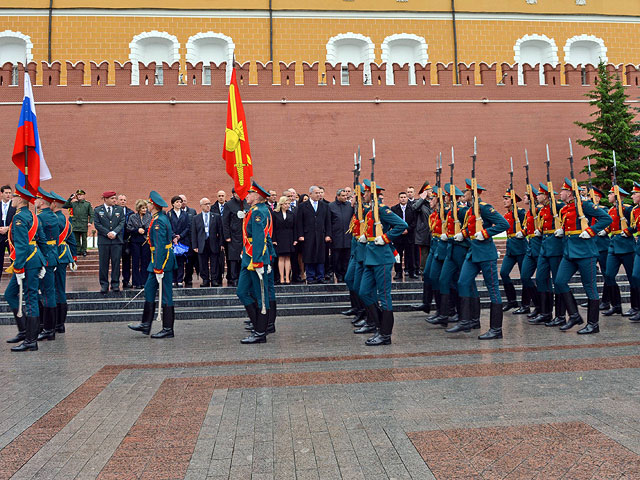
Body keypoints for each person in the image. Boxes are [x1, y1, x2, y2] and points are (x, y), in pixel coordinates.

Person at [447, 179, 510, 339]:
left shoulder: (484, 208)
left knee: (493, 289)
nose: (464, 194)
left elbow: (504, 224)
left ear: (474, 193)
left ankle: (496, 329)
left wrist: (486, 233)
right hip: (473, 252)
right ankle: (466, 320)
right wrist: (464, 234)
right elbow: (471, 227)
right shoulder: (470, 210)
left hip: (486, 253)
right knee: (462, 282)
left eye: (466, 191)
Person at [553, 178, 611, 334]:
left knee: (590, 288)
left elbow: (607, 218)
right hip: (570, 252)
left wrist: (591, 231)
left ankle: (593, 324)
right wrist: (563, 231)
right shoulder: (565, 209)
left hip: (586, 253)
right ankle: (574, 315)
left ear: (570, 194)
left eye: (563, 190)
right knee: (559, 282)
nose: (561, 193)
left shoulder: (584, 205)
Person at [358, 179, 408, 345]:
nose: (363, 195)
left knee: (384, 296)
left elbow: (402, 225)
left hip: (382, 259)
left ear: (371, 194)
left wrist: (385, 238)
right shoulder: (371, 212)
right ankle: (380, 326)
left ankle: (385, 335)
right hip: (370, 258)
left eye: (365, 192)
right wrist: (367, 237)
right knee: (364, 292)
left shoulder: (382, 210)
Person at [128, 191, 177, 338]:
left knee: (167, 295)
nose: (147, 205)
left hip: (162, 262)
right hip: (156, 261)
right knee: (149, 289)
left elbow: (161, 245)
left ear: (153, 205)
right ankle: (146, 323)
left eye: (149, 203)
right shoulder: (158, 218)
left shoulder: (159, 221)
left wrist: (158, 267)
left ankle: (168, 328)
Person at [5, 184, 46, 351]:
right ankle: (24, 330)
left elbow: (21, 245)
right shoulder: (34, 217)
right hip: (34, 258)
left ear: (20, 199)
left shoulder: (19, 217)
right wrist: (43, 262)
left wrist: (19, 267)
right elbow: (42, 240)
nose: (12, 199)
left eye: (14, 197)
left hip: (27, 261)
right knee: (10, 294)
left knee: (30, 300)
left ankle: (31, 340)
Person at [237, 181, 272, 344]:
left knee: (261, 296)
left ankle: (260, 332)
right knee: (242, 292)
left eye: (250, 193)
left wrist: (258, 262)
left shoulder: (259, 212)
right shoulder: (253, 210)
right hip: (248, 257)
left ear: (257, 196)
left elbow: (259, 239)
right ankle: (258, 325)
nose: (247, 196)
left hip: (256, 259)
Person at [529, 183, 566, 326]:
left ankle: (560, 316)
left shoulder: (558, 206)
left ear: (546, 196)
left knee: (557, 282)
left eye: (539, 194)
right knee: (541, 278)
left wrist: (562, 229)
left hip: (556, 247)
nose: (537, 196)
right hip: (544, 246)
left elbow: (569, 218)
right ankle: (545, 313)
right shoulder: (542, 209)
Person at [601, 186, 634, 317]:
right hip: (614, 245)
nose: (608, 196)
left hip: (626, 246)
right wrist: (606, 231)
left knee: (633, 278)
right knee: (608, 275)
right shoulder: (611, 210)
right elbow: (612, 225)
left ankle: (635, 307)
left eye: (610, 194)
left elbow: (635, 223)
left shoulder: (627, 209)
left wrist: (629, 231)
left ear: (617, 196)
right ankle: (616, 305)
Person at [48, 190, 78, 334]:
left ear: (54, 204)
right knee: (60, 288)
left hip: (55, 255)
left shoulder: (53, 219)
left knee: (54, 289)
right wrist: (73, 258)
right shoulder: (65, 220)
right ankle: (61, 324)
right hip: (64, 255)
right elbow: (72, 241)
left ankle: (56, 323)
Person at [35, 188, 60, 341]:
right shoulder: (53, 216)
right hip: (52, 255)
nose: (35, 202)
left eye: (36, 199)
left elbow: (39, 238)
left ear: (42, 201)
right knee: (48, 292)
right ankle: (50, 327)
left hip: (45, 257)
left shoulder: (41, 217)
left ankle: (48, 328)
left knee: (46, 292)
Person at [296, 186, 331, 284]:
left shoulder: (324, 205)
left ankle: (320, 276)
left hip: (321, 235)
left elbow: (327, 221)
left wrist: (328, 234)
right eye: (316, 193)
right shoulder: (303, 206)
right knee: (309, 255)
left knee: (321, 255)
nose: (319, 195)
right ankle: (310, 277)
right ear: (310, 194)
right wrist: (300, 235)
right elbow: (299, 222)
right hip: (308, 235)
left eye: (320, 193)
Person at [500, 189, 527, 312]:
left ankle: (525, 305)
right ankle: (512, 301)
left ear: (513, 201)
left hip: (521, 247)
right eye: (504, 199)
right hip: (511, 248)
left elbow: (528, 225)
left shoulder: (520, 212)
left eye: (506, 199)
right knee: (504, 273)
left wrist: (523, 232)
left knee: (524, 276)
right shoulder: (506, 215)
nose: (504, 201)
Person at [93, 191, 125, 294]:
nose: (114, 200)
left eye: (115, 198)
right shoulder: (98, 210)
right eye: (112, 198)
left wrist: (115, 232)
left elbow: (122, 222)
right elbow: (97, 224)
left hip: (116, 240)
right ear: (105, 199)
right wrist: (107, 233)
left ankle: (115, 284)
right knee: (103, 264)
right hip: (104, 241)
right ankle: (104, 284)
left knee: (116, 263)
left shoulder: (119, 210)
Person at [191, 197, 223, 287]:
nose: (208, 206)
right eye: (206, 204)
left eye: (209, 203)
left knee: (214, 262)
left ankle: (214, 279)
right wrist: (194, 245)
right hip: (202, 243)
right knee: (202, 262)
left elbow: (220, 231)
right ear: (201, 206)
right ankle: (205, 279)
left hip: (213, 242)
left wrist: (221, 243)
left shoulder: (216, 216)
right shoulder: (196, 218)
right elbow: (193, 233)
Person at [328, 188, 354, 282]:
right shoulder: (331, 206)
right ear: (338, 196)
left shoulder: (350, 206)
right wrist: (329, 235)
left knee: (347, 257)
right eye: (343, 196)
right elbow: (328, 222)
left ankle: (346, 274)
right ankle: (338, 274)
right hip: (336, 236)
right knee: (336, 257)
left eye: (346, 195)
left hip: (348, 236)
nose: (345, 197)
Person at [222, 188, 247, 287]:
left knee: (244, 257)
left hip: (245, 236)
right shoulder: (229, 205)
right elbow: (225, 221)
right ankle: (234, 278)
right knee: (233, 258)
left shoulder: (246, 203)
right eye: (237, 193)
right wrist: (227, 236)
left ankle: (243, 277)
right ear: (233, 194)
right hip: (233, 236)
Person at [391, 191, 417, 280]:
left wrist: (407, 229)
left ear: (407, 198)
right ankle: (398, 272)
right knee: (397, 255)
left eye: (404, 197)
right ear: (399, 198)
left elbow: (414, 222)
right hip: (398, 237)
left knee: (410, 255)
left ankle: (411, 272)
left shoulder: (412, 208)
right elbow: (392, 222)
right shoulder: (394, 209)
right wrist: (399, 230)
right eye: (401, 197)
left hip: (409, 235)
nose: (403, 198)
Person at [126, 199, 152, 289]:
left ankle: (144, 281)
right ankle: (136, 282)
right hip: (135, 242)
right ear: (138, 208)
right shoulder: (132, 217)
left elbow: (150, 228)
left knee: (145, 262)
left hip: (145, 241)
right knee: (135, 262)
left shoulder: (149, 217)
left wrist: (144, 230)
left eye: (145, 208)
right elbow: (128, 228)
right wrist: (137, 230)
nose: (144, 210)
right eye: (142, 208)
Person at [166, 196, 190, 288]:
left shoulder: (185, 214)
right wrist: (173, 237)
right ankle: (173, 279)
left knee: (181, 261)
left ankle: (180, 280)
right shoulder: (169, 214)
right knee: (172, 260)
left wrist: (180, 236)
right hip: (172, 241)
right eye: (176, 202)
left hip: (182, 241)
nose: (179, 204)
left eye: (180, 202)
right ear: (173, 204)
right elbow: (168, 226)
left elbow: (188, 227)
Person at [272, 196, 296, 283]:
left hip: (289, 237)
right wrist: (273, 239)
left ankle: (288, 277)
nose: (287, 205)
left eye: (288, 204)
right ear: (281, 204)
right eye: (285, 204)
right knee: (281, 257)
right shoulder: (275, 214)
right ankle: (282, 277)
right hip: (279, 237)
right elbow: (273, 227)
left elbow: (294, 227)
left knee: (288, 257)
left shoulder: (291, 214)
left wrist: (295, 239)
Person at [411, 181, 433, 272]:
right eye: (429, 190)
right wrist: (422, 198)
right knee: (424, 253)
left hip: (433, 232)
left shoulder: (433, 202)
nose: (432, 192)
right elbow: (414, 208)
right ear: (425, 192)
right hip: (424, 232)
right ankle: (424, 270)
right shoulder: (420, 203)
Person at [63, 189, 93, 256]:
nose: (79, 196)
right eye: (78, 195)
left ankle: (84, 250)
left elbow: (91, 214)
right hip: (75, 223)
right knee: (76, 238)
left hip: (83, 224)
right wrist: (70, 198)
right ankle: (78, 250)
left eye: (81, 195)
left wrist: (90, 222)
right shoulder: (74, 204)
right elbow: (65, 206)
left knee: (84, 238)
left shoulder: (87, 204)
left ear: (83, 196)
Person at [179, 194, 198, 287]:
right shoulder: (174, 212)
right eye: (180, 200)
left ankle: (188, 278)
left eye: (184, 200)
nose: (183, 202)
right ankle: (179, 278)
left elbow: (195, 225)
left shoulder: (192, 211)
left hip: (190, 241)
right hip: (180, 241)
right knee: (180, 261)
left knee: (190, 261)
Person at [628, 182, 640, 322]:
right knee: (636, 276)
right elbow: (634, 226)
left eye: (635, 193)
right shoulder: (635, 210)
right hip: (639, 245)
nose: (632, 196)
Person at [118, 194, 135, 289]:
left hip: (127, 241)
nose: (123, 201)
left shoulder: (130, 212)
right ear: (117, 201)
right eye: (121, 199)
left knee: (127, 262)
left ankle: (126, 280)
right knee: (115, 262)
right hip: (116, 240)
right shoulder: (113, 211)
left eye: (124, 200)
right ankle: (115, 281)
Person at [0, 185, 16, 283]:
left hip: (11, 237)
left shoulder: (14, 207)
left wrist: (8, 228)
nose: (8, 195)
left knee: (14, 260)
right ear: (1, 194)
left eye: (10, 193)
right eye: (6, 193)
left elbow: (17, 222)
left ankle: (17, 284)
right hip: (0, 236)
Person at [212, 190, 227, 285]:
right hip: (217, 237)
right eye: (219, 196)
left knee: (229, 257)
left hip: (229, 235)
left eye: (222, 195)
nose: (221, 197)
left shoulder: (229, 206)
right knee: (218, 258)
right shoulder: (213, 208)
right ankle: (218, 277)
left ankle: (230, 276)